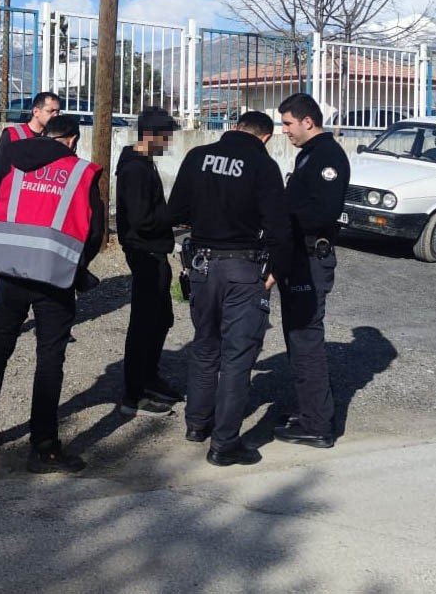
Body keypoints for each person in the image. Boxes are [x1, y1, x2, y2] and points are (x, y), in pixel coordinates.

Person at [0, 114, 104, 474]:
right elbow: (95, 233)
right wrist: (73, 266)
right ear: (73, 140)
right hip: (54, 280)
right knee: (49, 359)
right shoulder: (79, 173)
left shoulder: (14, 163)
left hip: (10, 272)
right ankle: (43, 446)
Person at [167, 111, 293, 467]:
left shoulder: (197, 156)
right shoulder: (263, 165)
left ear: (234, 128)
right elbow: (279, 229)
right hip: (243, 268)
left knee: (205, 345)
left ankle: (197, 423)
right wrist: (275, 274)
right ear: (265, 137)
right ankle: (224, 444)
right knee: (238, 357)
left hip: (202, 266)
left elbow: (176, 210)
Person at [273, 93, 350, 449]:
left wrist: (284, 219)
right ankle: (308, 411)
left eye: (288, 123)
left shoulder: (327, 156)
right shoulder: (309, 154)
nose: (284, 130)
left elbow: (323, 212)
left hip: (310, 259)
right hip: (298, 257)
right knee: (297, 337)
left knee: (306, 338)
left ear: (308, 121)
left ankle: (318, 425)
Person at [115, 106, 182, 419]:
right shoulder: (135, 170)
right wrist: (177, 216)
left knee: (161, 318)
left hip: (154, 250)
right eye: (165, 136)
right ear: (152, 135)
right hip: (145, 253)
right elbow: (142, 219)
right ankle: (134, 393)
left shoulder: (142, 164)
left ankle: (149, 378)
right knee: (144, 324)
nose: (167, 142)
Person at [0, 91, 61, 182]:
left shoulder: (55, 139)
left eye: (58, 111)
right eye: (50, 111)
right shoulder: (12, 135)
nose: (56, 115)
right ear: (36, 112)